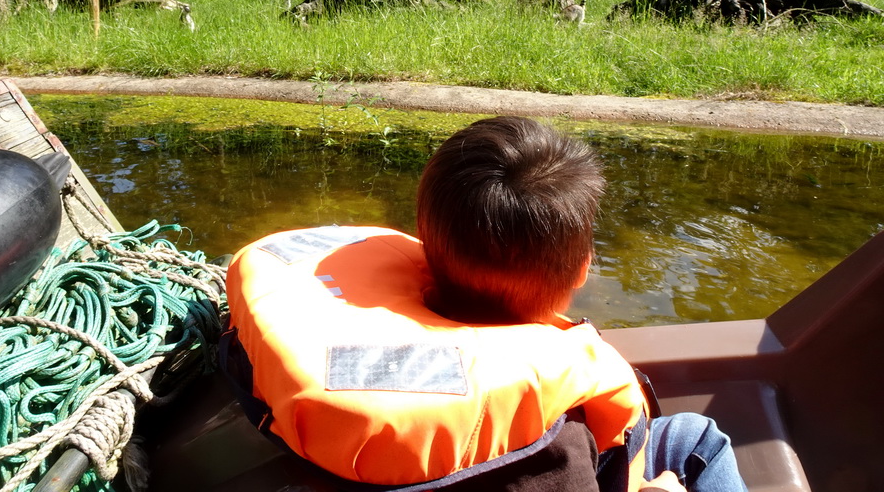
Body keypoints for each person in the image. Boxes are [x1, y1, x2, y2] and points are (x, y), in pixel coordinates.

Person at [222, 117, 747, 492]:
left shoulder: (323, 376)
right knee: (696, 436)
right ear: (583, 267)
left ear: (425, 254)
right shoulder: (567, 425)